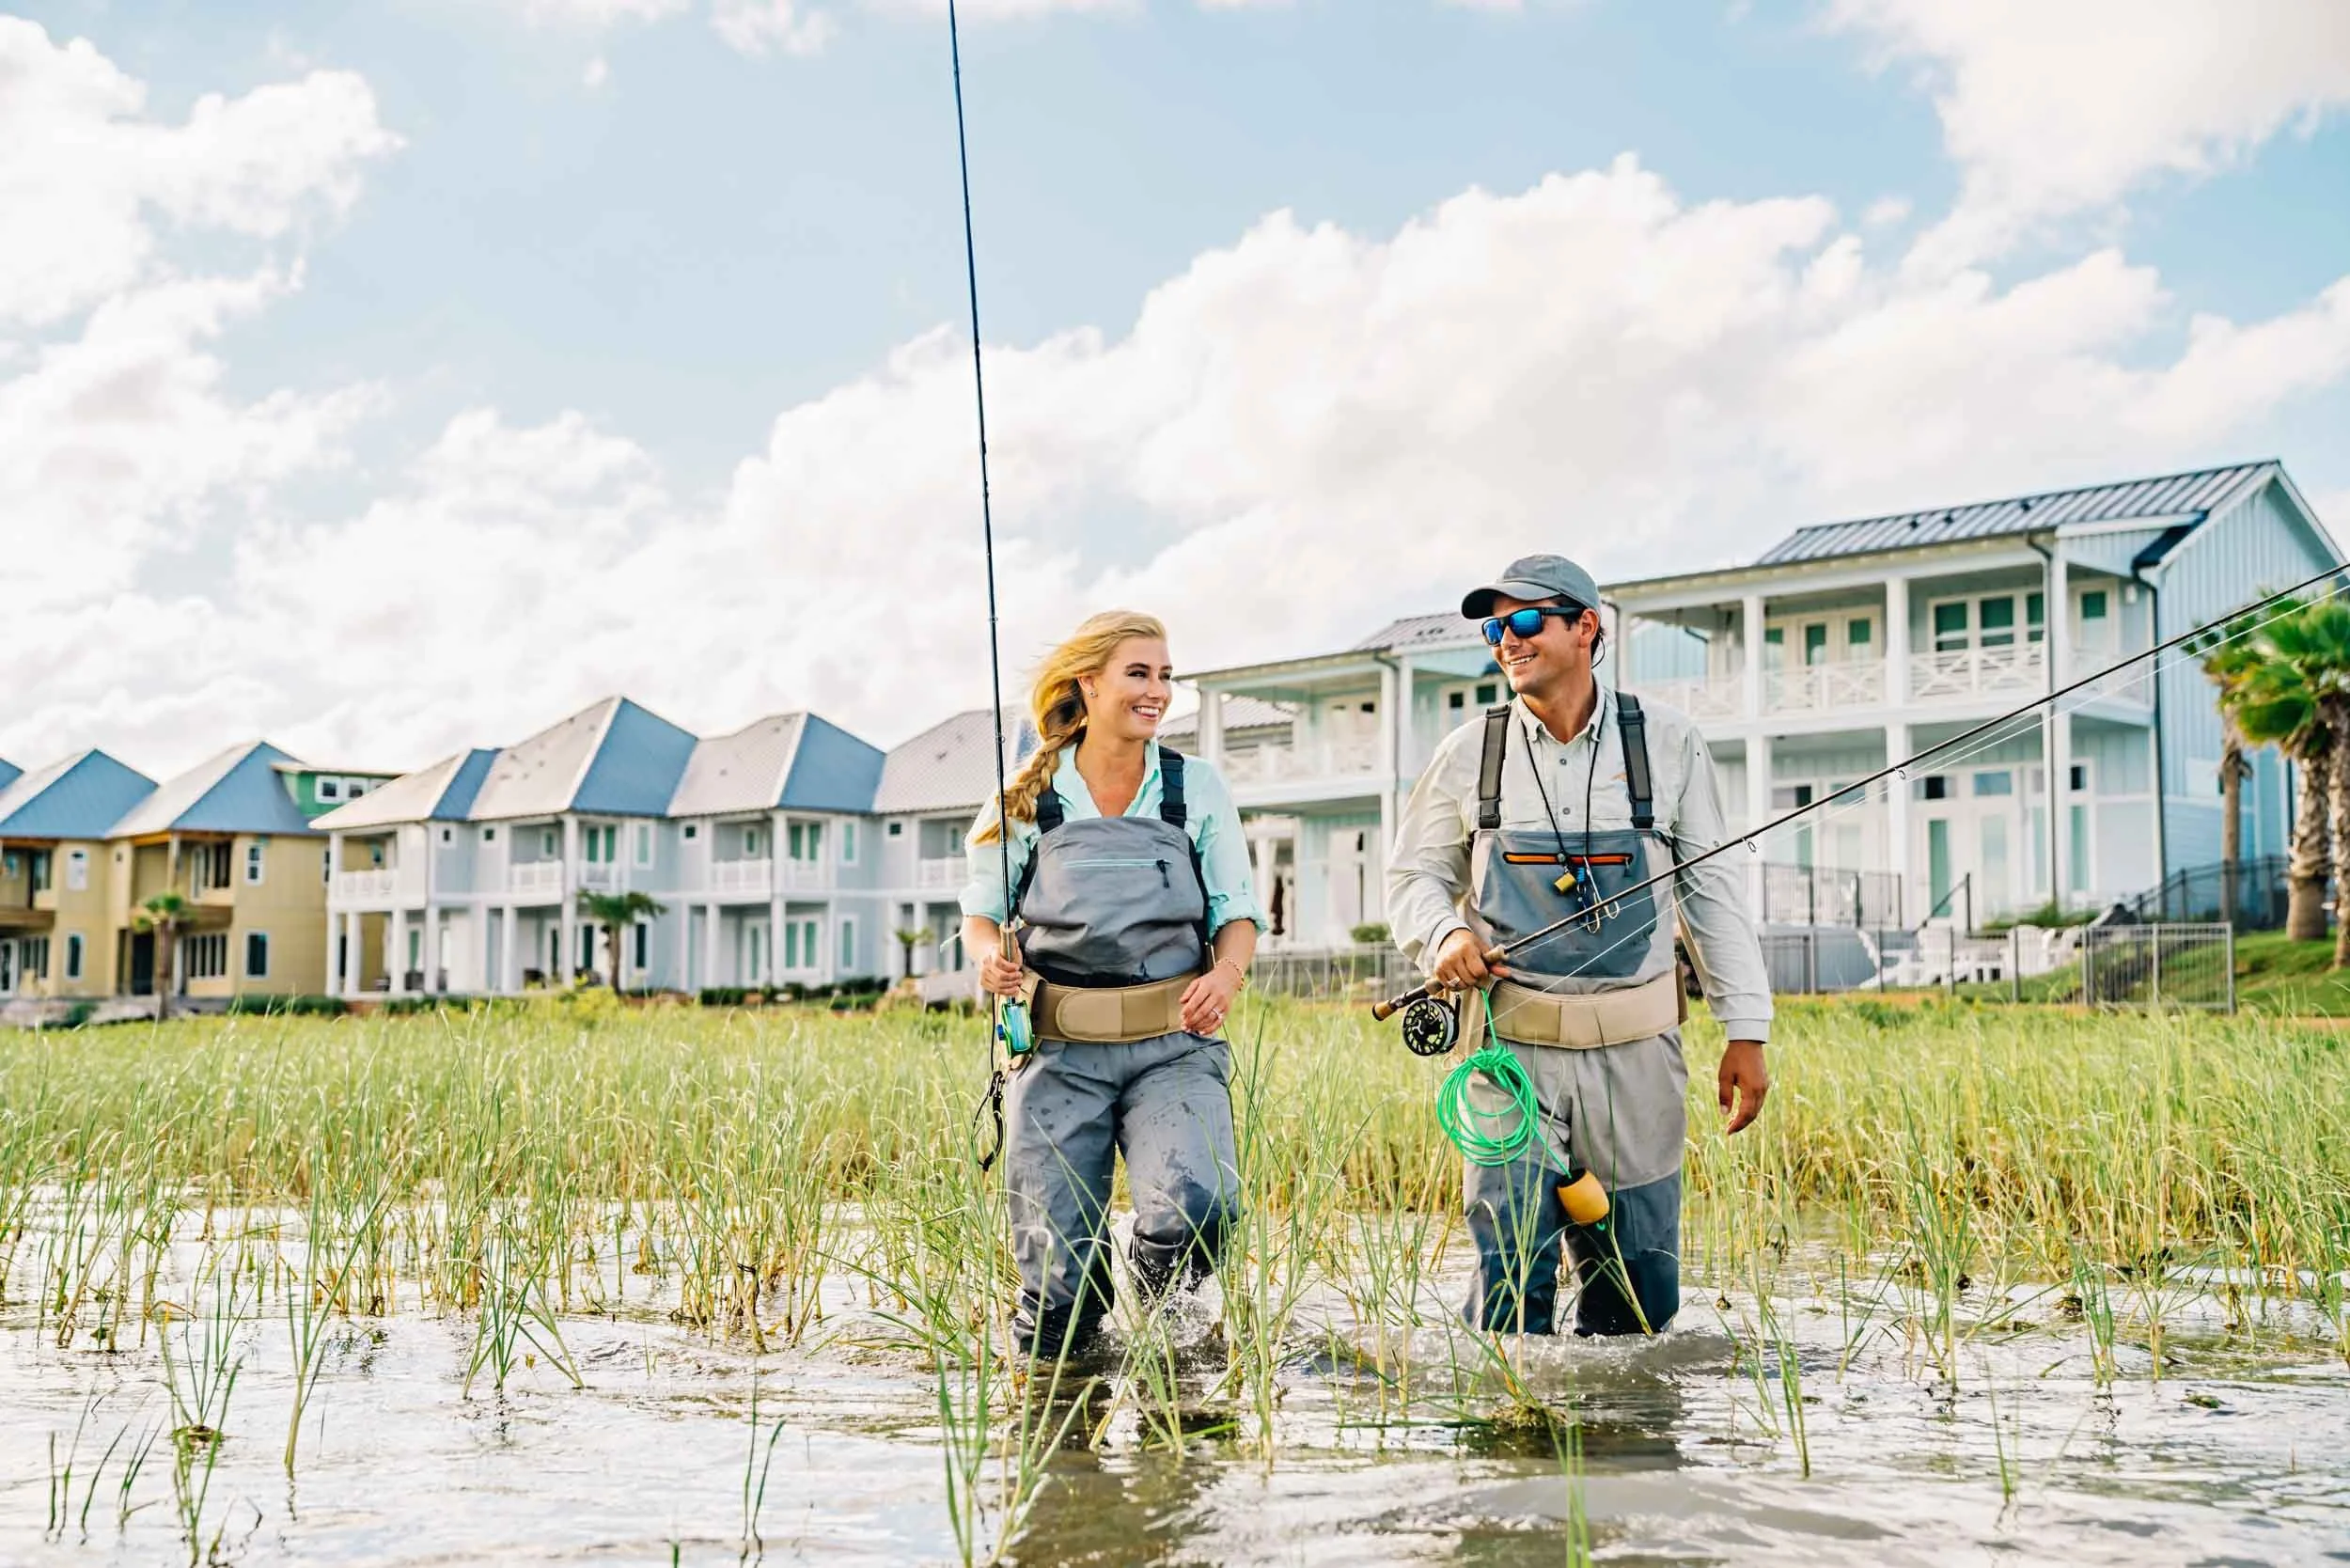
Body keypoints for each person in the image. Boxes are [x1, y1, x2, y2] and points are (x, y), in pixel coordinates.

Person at [1386, 555, 1771, 1337]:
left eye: (1525, 620)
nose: (1507, 640)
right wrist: (1445, 934)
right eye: (1495, 627)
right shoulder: (1466, 751)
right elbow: (1411, 878)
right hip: (1506, 1056)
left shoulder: (1670, 741)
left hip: (1640, 1057)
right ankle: (1514, 1442)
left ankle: (1617, 1448)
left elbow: (1713, 894)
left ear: (1586, 627)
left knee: (1639, 1298)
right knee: (1509, 1277)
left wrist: (1748, 1031)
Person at [962, 609, 1264, 1362]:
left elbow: (1239, 916)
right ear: (1087, 685)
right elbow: (981, 918)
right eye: (1139, 673)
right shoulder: (1025, 797)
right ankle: (1065, 1433)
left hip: (1175, 1048)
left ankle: (1173, 1350)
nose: (1157, 690)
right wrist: (988, 960)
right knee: (1056, 1295)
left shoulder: (1194, 787)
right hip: (1058, 1055)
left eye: (1165, 675)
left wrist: (1226, 974)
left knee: (1197, 1207)